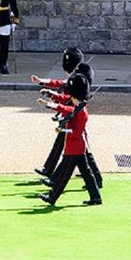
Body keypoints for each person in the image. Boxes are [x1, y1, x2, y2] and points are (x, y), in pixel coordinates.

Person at [37, 74, 102, 206]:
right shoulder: (77, 108)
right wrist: (48, 104)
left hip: (75, 147)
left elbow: (76, 132)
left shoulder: (82, 112)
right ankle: (95, 197)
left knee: (64, 175)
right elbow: (65, 108)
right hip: (75, 147)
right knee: (86, 173)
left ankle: (52, 197)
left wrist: (62, 130)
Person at [31, 47, 84, 178]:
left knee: (75, 148)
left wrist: (51, 98)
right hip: (69, 115)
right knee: (75, 148)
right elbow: (59, 83)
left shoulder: (77, 80)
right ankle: (50, 170)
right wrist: (41, 81)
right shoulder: (73, 78)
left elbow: (64, 93)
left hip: (73, 116)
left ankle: (51, 172)